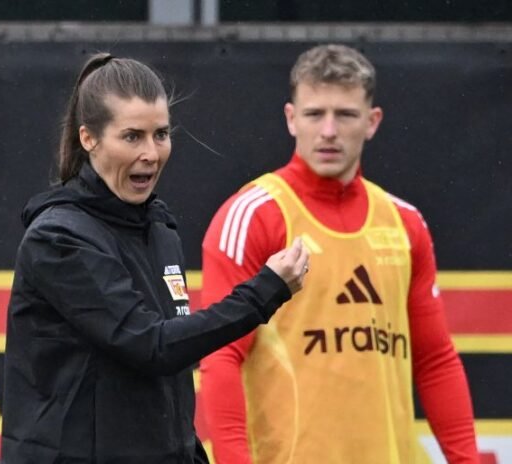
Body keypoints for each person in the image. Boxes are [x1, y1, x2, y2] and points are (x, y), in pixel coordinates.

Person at [0, 53, 310, 463]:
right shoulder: (58, 237)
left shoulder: (159, 228)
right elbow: (152, 346)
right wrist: (264, 292)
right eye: (132, 137)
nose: (151, 152)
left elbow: (168, 379)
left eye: (160, 134)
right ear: (88, 138)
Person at [199, 44, 479, 463]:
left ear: (372, 121)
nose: (328, 130)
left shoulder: (404, 223)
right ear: (291, 119)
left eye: (345, 115)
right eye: (314, 114)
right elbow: (221, 356)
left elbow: (435, 360)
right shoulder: (254, 214)